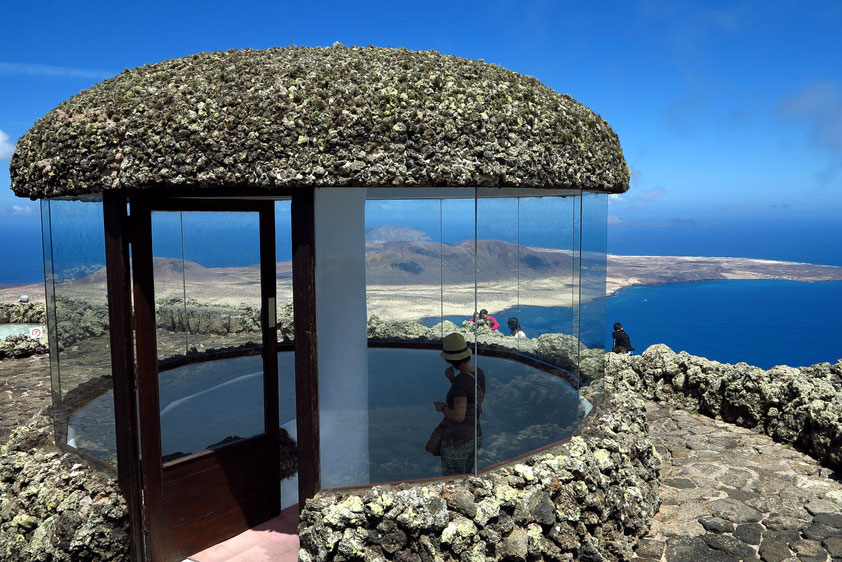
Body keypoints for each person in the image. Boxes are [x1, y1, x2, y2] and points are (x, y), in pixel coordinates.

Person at [434, 332, 486, 476]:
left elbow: (458, 416)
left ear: (450, 360)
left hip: (458, 441)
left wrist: (442, 407)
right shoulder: (479, 372)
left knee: (453, 482)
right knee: (467, 478)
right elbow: (470, 397)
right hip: (475, 436)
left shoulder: (460, 382)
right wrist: (453, 379)